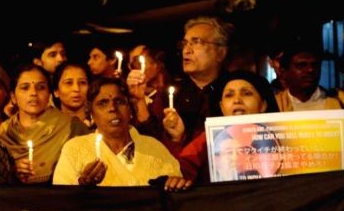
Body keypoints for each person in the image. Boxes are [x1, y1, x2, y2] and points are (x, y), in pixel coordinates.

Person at [53, 78, 186, 189]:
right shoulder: (74, 149)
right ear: (90, 112)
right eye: (103, 103)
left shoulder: (154, 148)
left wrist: (175, 184)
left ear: (131, 109)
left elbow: (176, 190)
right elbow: (62, 203)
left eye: (119, 102)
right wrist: (83, 185)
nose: (112, 108)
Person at [164, 71, 280, 185]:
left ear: (263, 105)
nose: (237, 100)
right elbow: (182, 169)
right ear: (222, 107)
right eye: (229, 95)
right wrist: (177, 140)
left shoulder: (284, 134)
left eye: (247, 93)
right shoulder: (207, 139)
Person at [0, 64, 90, 184]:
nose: (33, 93)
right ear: (13, 97)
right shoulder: (4, 132)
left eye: (41, 87)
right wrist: (11, 170)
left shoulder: (72, 127)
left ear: (49, 95)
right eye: (25, 88)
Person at [166, 16, 233, 145]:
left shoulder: (236, 90)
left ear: (221, 52)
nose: (186, 50)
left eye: (196, 42)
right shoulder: (171, 95)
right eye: (184, 44)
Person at [52, 62, 92, 126]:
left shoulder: (99, 124)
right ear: (56, 91)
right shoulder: (49, 128)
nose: (76, 89)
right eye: (68, 83)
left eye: (82, 82)